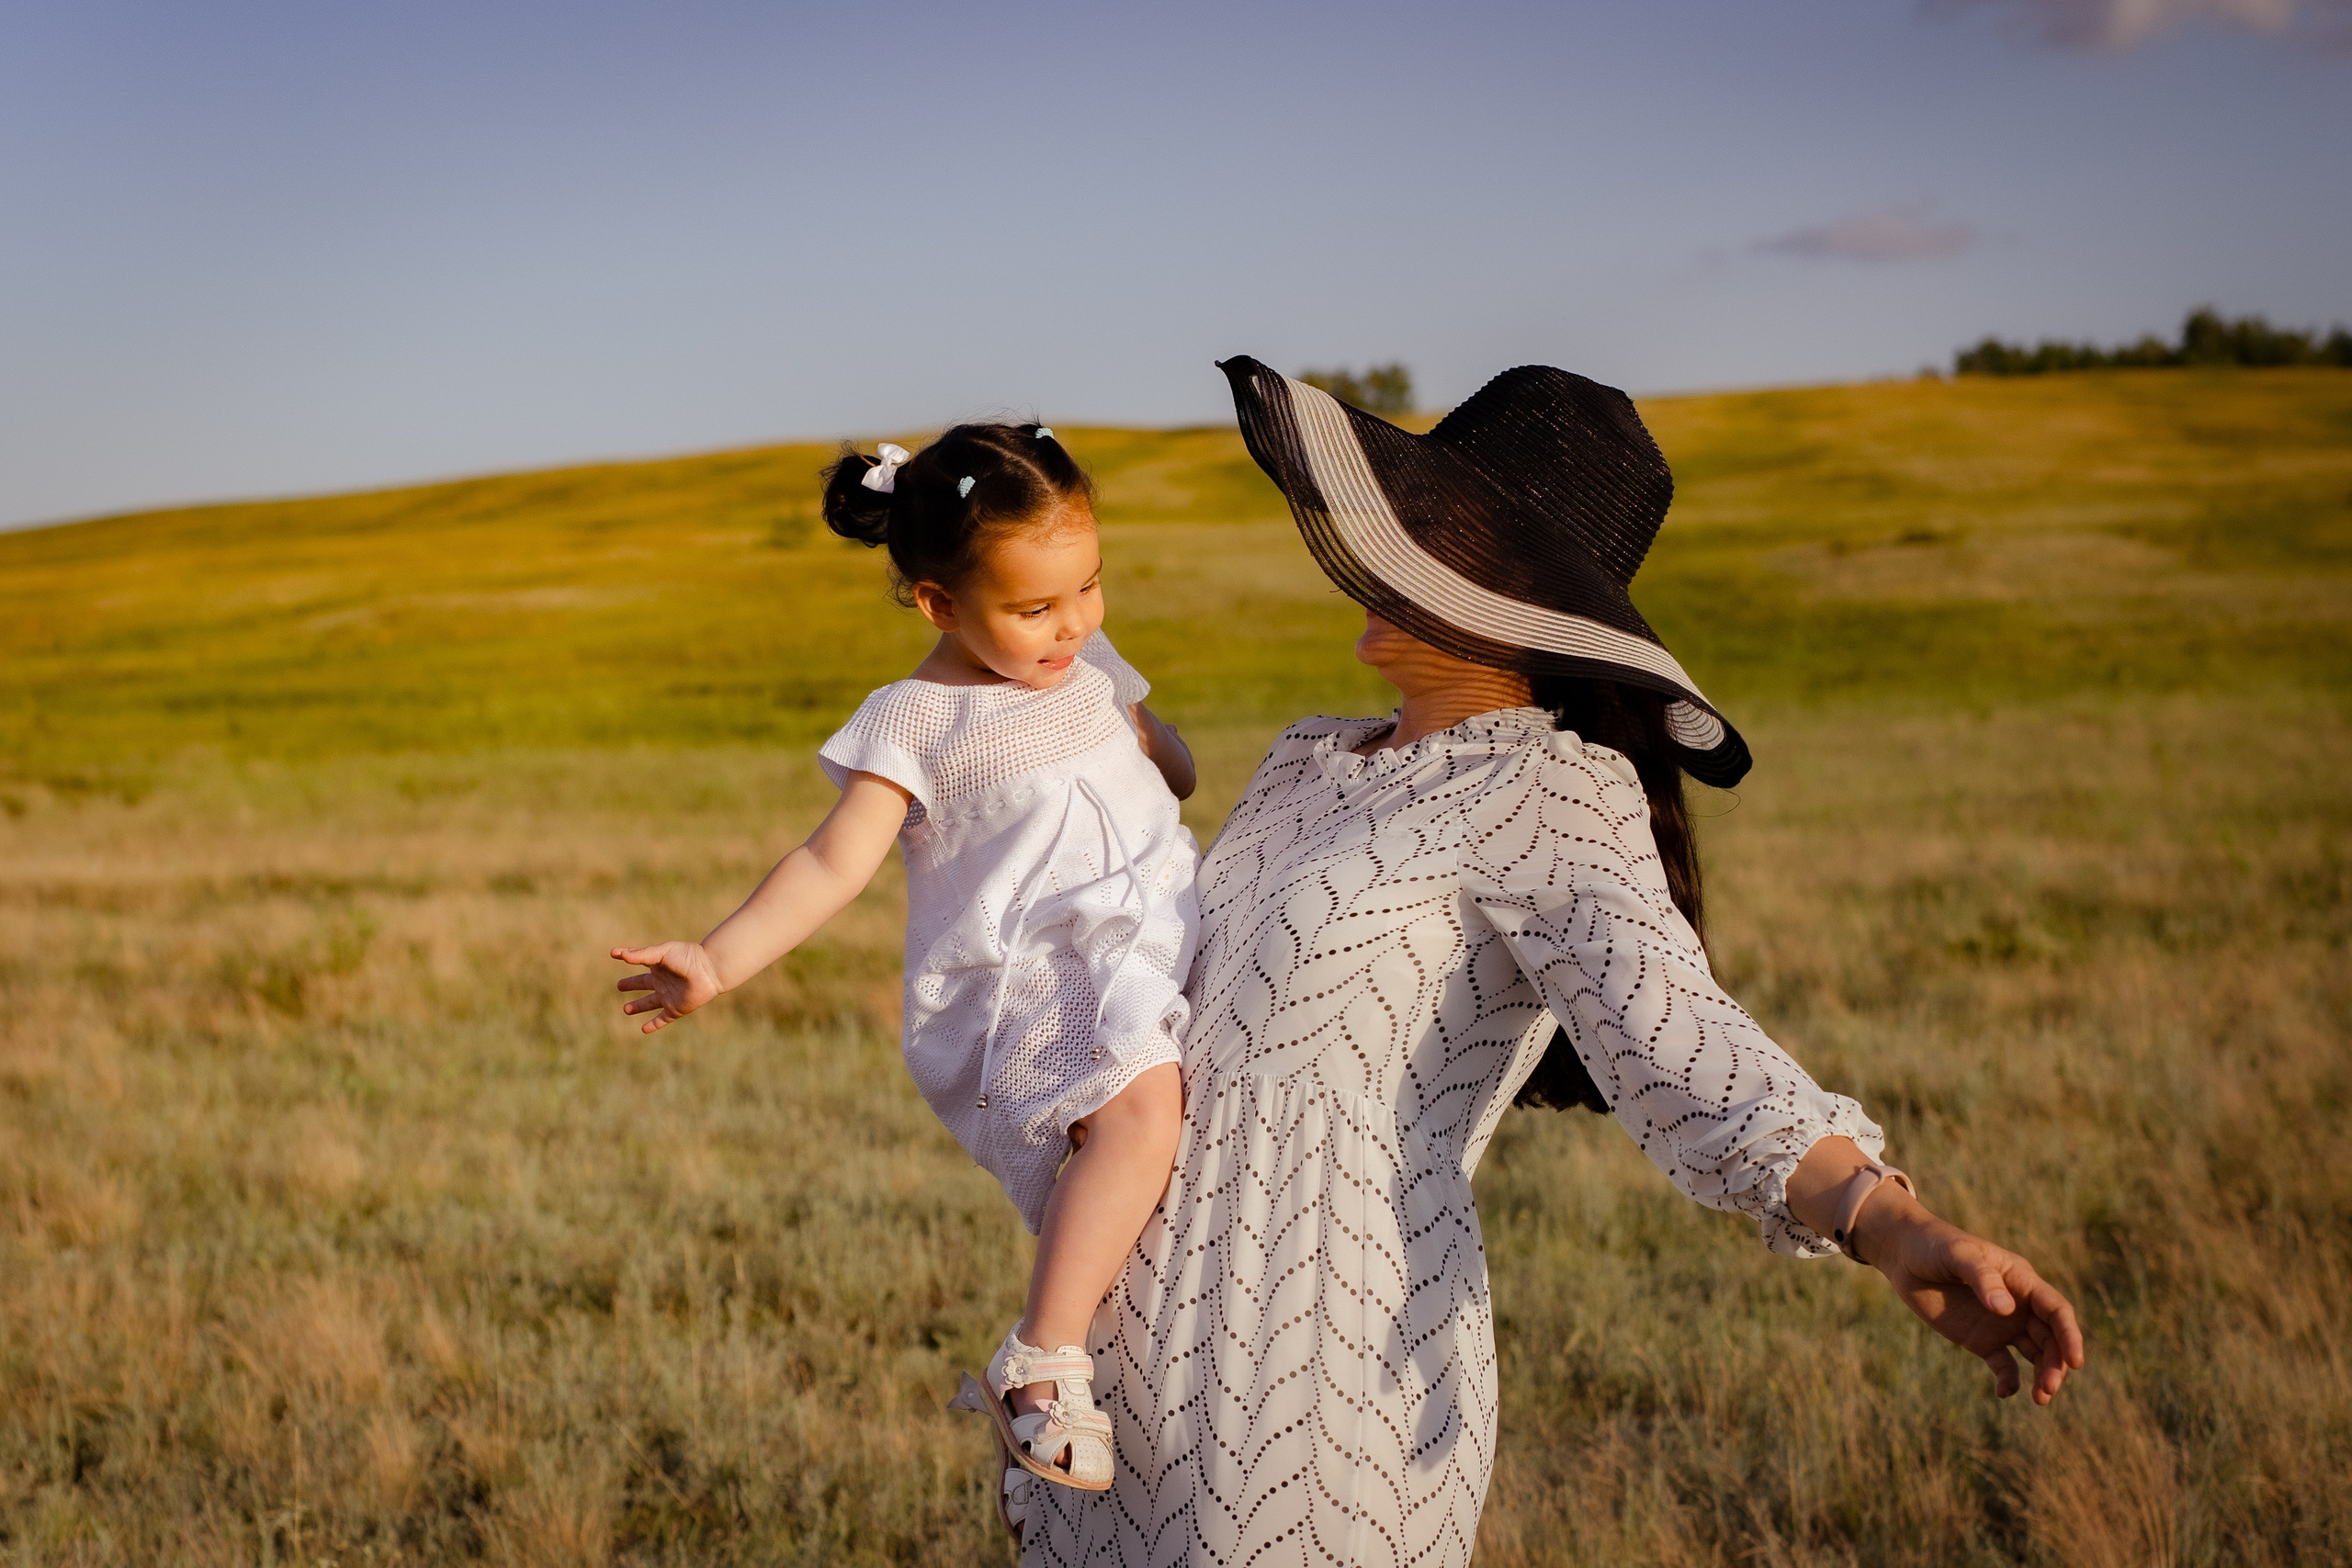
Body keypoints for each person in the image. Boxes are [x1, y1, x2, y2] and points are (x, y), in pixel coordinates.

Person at [1015, 360, 2085, 1566]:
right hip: (1126, 1343)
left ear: (1512, 591)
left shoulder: (1547, 785)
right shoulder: (1304, 758)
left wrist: (1884, 1216)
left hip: (1320, 1357)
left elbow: (1682, 1034)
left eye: (1424, 534)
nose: (1381, 552)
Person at [606, 423, 1200, 1538]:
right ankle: (1042, 1358)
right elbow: (834, 862)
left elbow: (1150, 752)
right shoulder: (916, 719)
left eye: (1090, 586)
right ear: (937, 605)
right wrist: (719, 959)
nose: (1073, 623)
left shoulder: (1086, 662)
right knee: (1138, 1109)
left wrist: (1159, 750)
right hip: (1044, 975)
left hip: (1157, 919)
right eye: (1035, 609)